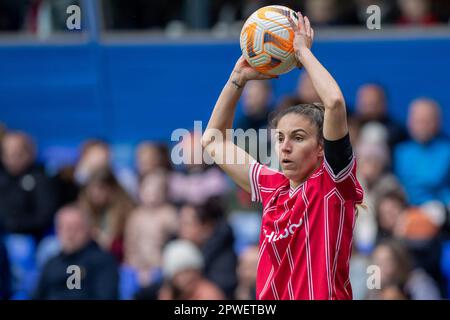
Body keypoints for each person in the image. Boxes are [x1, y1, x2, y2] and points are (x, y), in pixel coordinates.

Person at [201, 12, 364, 300]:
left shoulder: (332, 184)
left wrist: (302, 53)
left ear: (321, 148)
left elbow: (335, 103)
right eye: (279, 138)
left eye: (298, 138)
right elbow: (212, 140)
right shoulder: (271, 186)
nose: (285, 147)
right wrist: (237, 80)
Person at [33, 204, 119, 299]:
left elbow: (105, 296)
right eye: (66, 228)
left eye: (76, 228)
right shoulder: (51, 263)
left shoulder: (102, 261)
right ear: (57, 231)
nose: (71, 234)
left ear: (88, 229)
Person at [0, 131, 57, 240]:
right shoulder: (2, 177)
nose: (11, 159)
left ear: (30, 153)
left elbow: (44, 217)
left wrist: (14, 224)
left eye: (17, 154)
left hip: (30, 236)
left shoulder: (42, 178)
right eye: (7, 154)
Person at [394, 98, 450, 206]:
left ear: (438, 122)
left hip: (441, 209)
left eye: (426, 121)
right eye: (417, 121)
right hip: (405, 209)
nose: (422, 126)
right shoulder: (400, 151)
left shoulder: (447, 151)